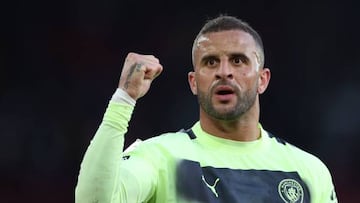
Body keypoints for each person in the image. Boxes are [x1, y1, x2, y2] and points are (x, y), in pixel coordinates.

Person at [75, 15, 338, 203]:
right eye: (211, 62)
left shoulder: (308, 171)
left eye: (238, 60)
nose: (224, 72)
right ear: (194, 82)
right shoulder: (162, 157)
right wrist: (124, 98)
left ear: (263, 79)